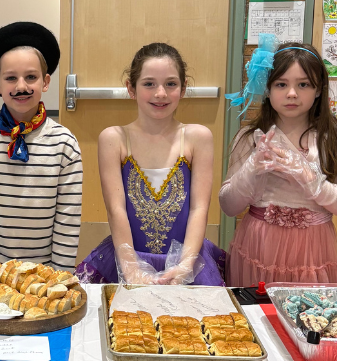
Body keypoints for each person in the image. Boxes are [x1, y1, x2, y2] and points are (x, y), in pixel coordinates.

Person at [76, 42, 226, 285]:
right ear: (131, 88)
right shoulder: (114, 139)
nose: (160, 93)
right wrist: (131, 269)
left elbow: (199, 208)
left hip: (187, 258)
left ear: (183, 88)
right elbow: (117, 210)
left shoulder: (198, 138)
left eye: (171, 84)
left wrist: (187, 265)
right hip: (126, 258)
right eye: (149, 84)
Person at [220, 37, 337, 286]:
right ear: (267, 88)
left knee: (309, 320)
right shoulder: (250, 137)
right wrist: (252, 169)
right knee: (256, 316)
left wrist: (312, 181)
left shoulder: (334, 136)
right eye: (281, 84)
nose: (292, 93)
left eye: (304, 84)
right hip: (258, 245)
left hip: (313, 250)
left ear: (318, 89)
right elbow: (229, 206)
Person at [0, 22, 82, 272]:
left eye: (31, 77)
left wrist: (61, 275)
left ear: (45, 82)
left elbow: (67, 219)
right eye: (11, 78)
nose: (21, 86)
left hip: (42, 272)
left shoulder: (64, 144)